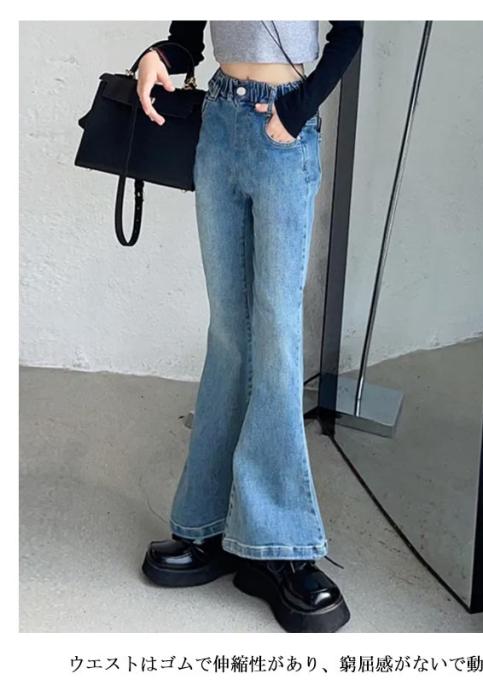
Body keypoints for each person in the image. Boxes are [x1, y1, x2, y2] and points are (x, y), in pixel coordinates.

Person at [136, 20, 363, 633]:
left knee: (277, 342)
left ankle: (278, 548)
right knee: (230, 338)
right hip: (218, 125)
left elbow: (349, 30)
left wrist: (298, 108)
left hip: (283, 129)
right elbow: (188, 36)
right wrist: (159, 57)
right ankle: (208, 527)